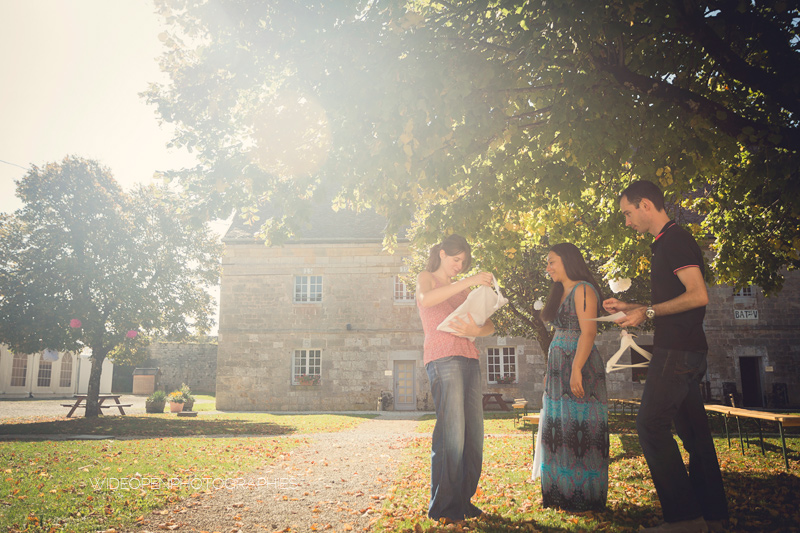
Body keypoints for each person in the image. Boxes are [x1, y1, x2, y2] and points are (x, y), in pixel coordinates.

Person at [603, 180, 728, 533]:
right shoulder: (665, 242)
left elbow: (698, 295)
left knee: (650, 425)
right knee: (695, 436)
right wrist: (634, 306)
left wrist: (648, 312)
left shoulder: (675, 240)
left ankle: (685, 520)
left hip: (677, 351)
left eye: (628, 213)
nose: (627, 221)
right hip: (686, 348)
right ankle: (713, 518)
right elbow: (673, 300)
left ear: (645, 204)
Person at [416, 234, 496, 522]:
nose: (459, 266)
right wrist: (468, 281)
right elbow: (426, 300)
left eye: (464, 262)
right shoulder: (427, 278)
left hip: (470, 359)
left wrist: (477, 331)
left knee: (473, 436)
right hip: (442, 358)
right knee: (452, 434)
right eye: (456, 259)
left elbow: (489, 324)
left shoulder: (464, 291)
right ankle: (444, 507)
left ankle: (463, 500)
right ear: (441, 253)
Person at [539, 242, 609, 511]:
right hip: (558, 366)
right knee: (558, 428)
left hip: (580, 364)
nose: (548, 268)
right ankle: (559, 494)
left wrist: (576, 368)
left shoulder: (583, 289)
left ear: (567, 260)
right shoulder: (560, 291)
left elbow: (588, 332)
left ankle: (584, 497)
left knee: (582, 429)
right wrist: (549, 372)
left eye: (552, 261)